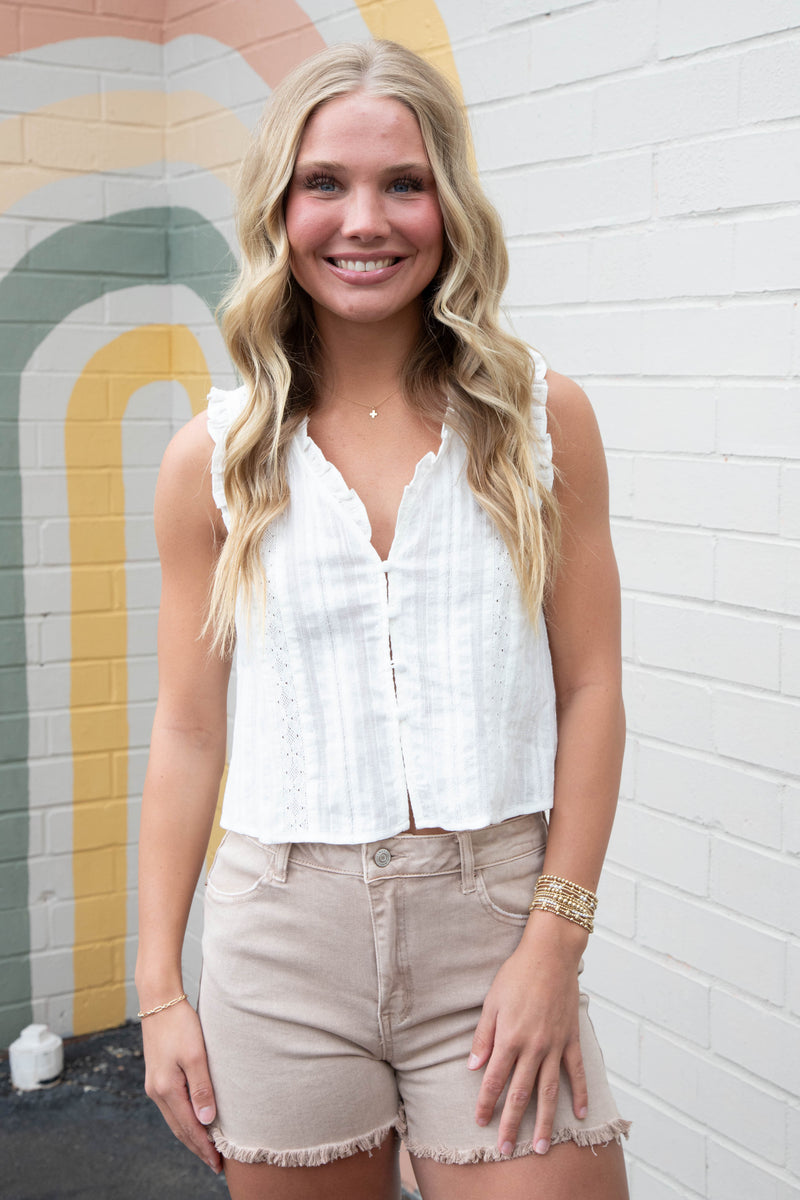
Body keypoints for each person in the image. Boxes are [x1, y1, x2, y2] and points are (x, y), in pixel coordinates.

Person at [135, 39, 630, 1200]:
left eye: (403, 183)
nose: (364, 220)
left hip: (494, 923)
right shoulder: (213, 457)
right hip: (279, 940)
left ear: (448, 204)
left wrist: (554, 940)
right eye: (326, 183)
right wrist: (158, 989)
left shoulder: (539, 422)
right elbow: (188, 730)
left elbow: (590, 689)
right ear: (281, 206)